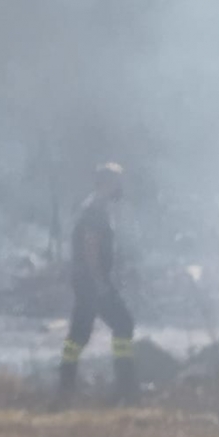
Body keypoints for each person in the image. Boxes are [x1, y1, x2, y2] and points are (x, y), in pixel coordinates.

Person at [56, 162, 136, 405]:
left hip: (86, 281)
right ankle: (125, 388)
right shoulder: (95, 210)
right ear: (106, 184)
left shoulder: (94, 207)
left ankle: (65, 386)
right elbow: (91, 247)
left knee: (79, 334)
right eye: (117, 182)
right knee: (123, 323)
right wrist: (100, 282)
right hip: (93, 283)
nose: (120, 188)